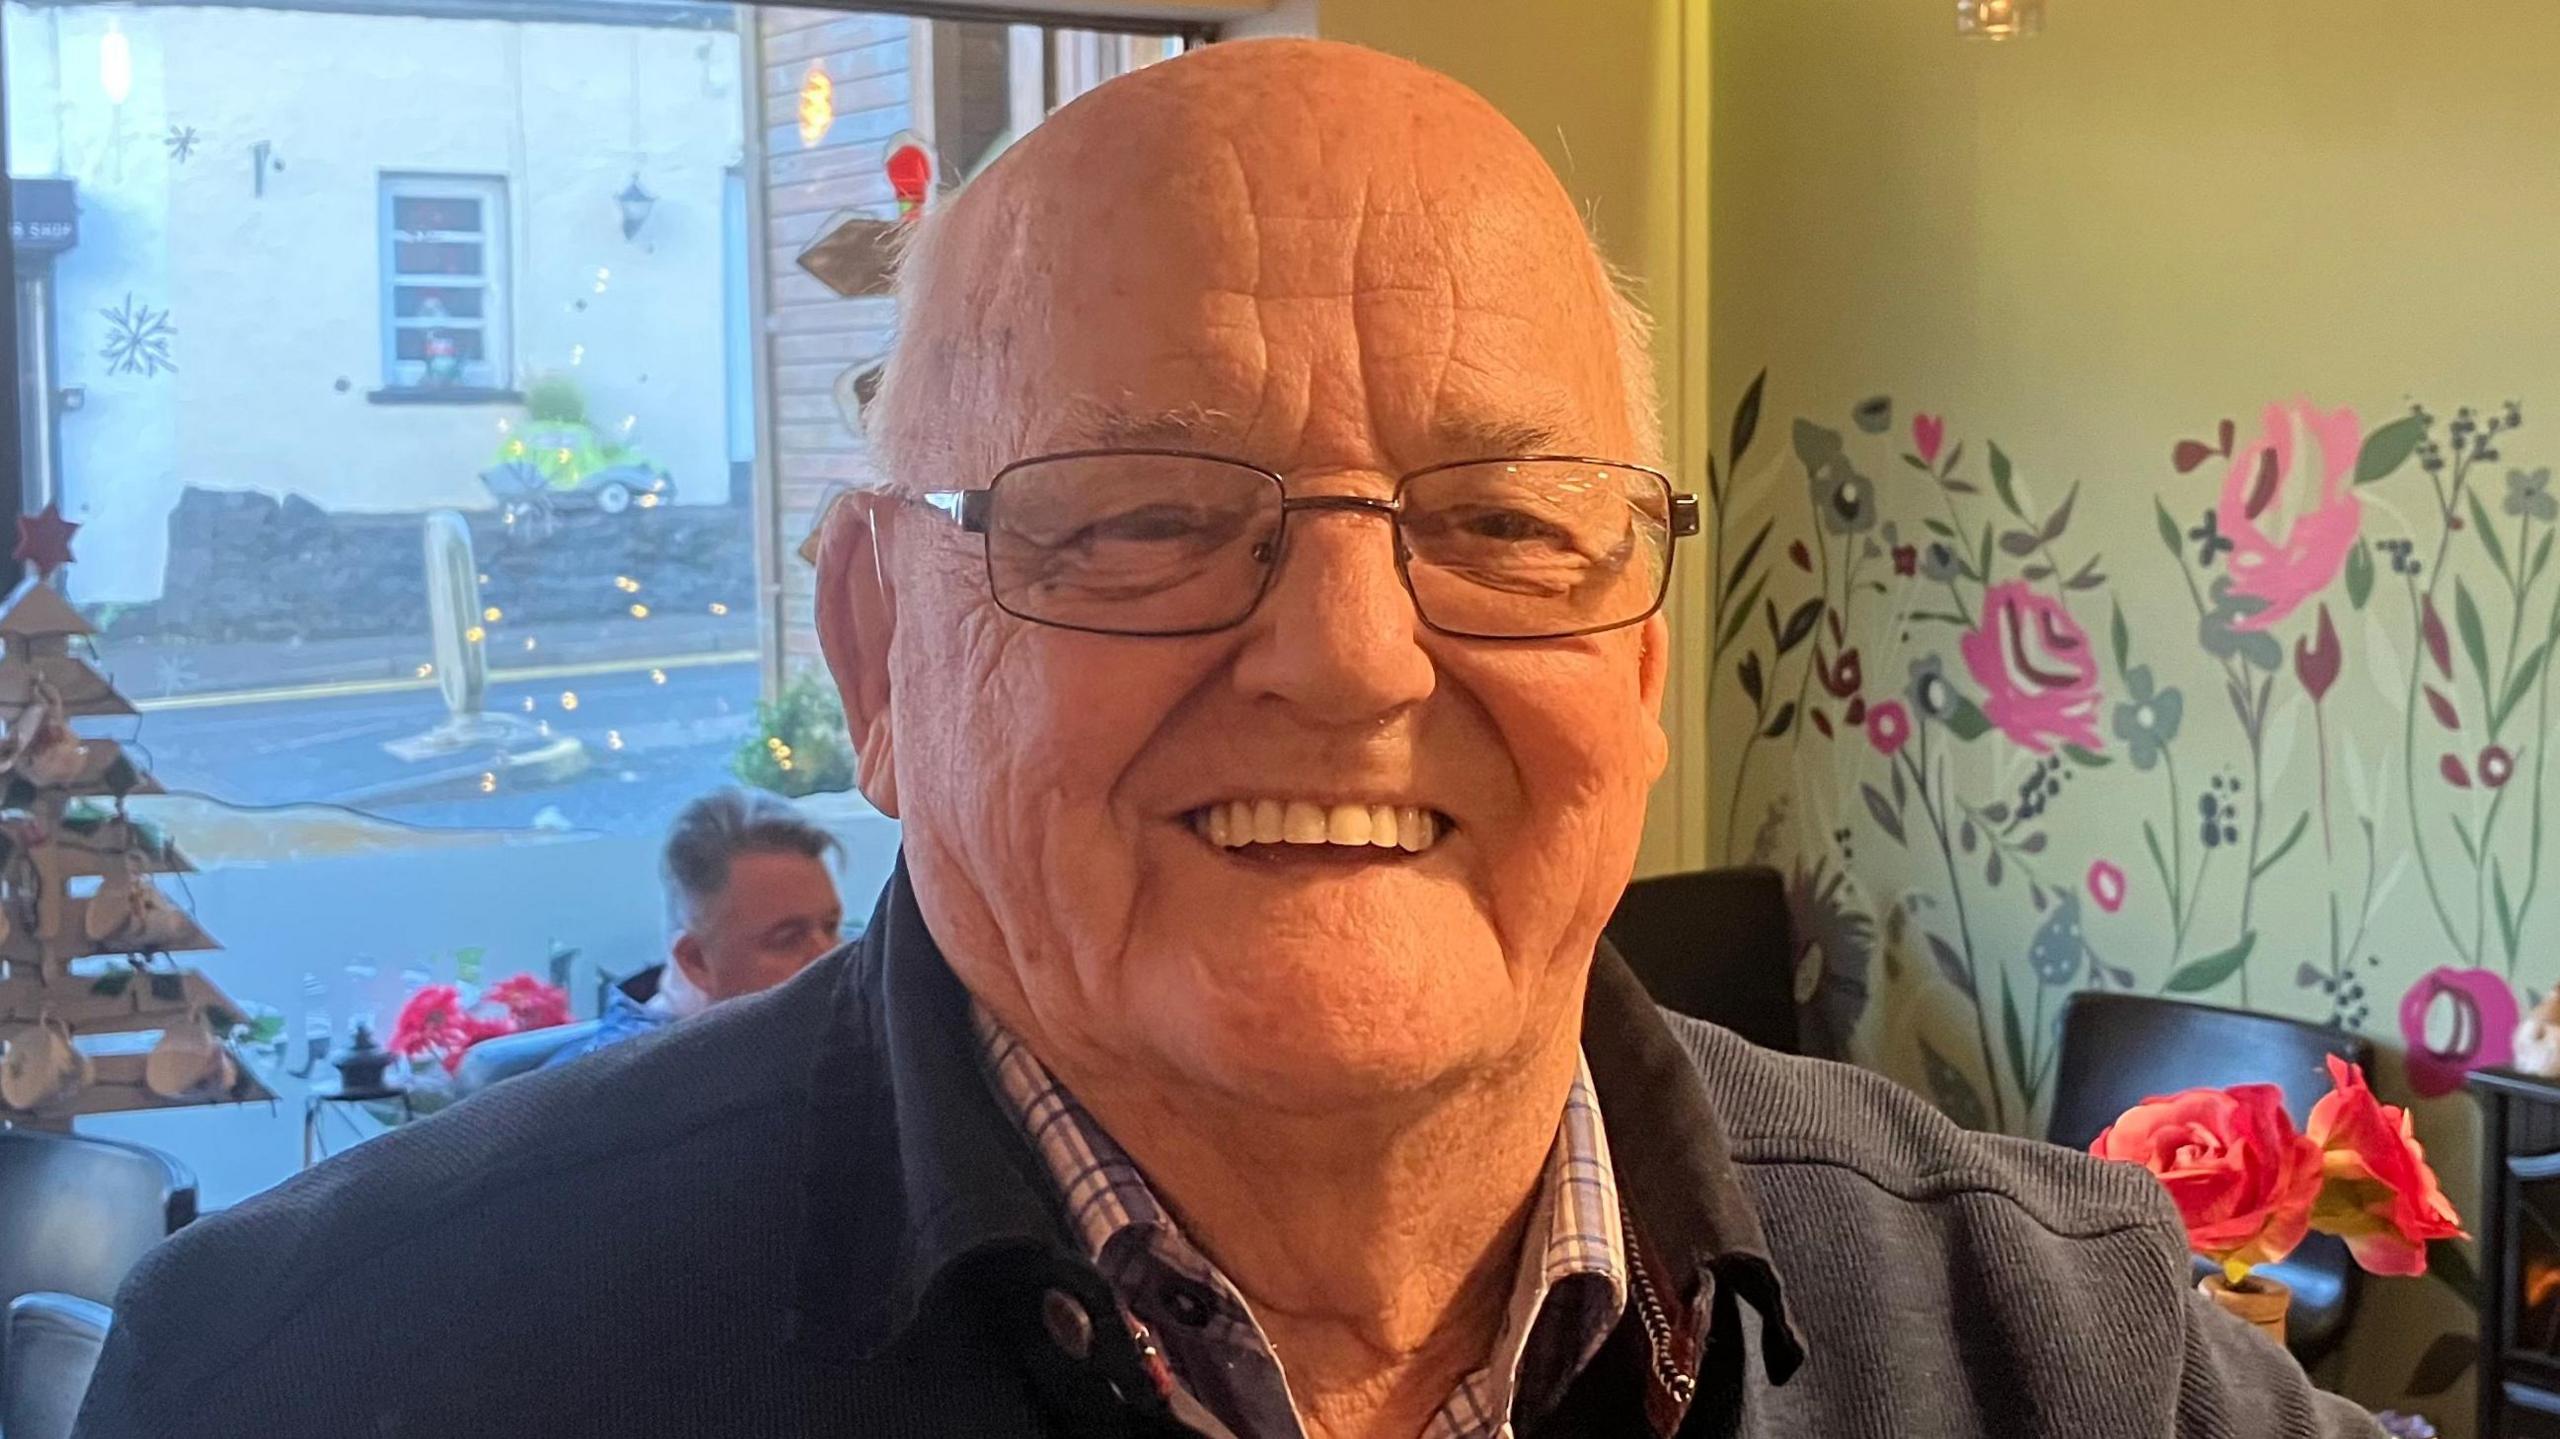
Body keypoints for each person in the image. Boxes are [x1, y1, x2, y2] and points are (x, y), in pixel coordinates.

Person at [78, 40, 2381, 1439]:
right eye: (1146, 519)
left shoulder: (2053, 1345)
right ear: (878, 657)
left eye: (1501, 520)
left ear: (1646, 663)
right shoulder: (331, 1366)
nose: (1356, 656)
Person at [538, 786, 847, 1069]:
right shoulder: (634, 1105)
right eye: (788, 940)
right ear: (695, 960)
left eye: (831, 926)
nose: (831, 956)